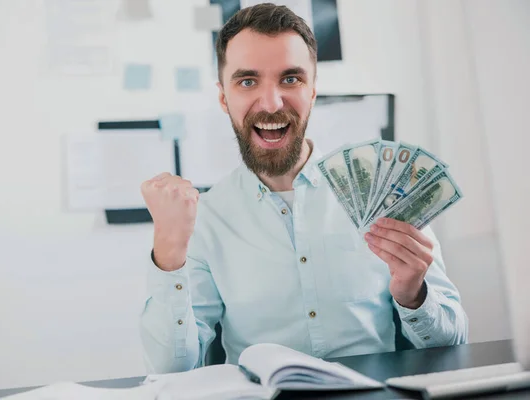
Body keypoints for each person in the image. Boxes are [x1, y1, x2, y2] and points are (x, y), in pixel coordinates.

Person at [139, 3, 468, 373]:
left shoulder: (385, 194)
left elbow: (455, 345)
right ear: (223, 98)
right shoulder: (205, 220)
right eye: (248, 81)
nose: (271, 103)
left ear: (312, 91)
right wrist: (168, 253)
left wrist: (414, 296)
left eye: (291, 79)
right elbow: (172, 371)